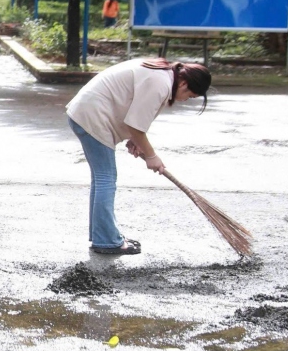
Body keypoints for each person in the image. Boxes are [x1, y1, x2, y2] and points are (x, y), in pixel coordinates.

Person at [65, 58, 212, 255]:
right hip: (92, 116)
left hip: (88, 112)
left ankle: (104, 235)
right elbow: (136, 125)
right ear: (184, 83)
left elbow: (136, 116)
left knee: (102, 179)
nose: (185, 99)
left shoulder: (163, 74)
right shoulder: (160, 82)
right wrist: (151, 156)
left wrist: (135, 140)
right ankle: (107, 240)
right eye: (189, 95)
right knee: (106, 179)